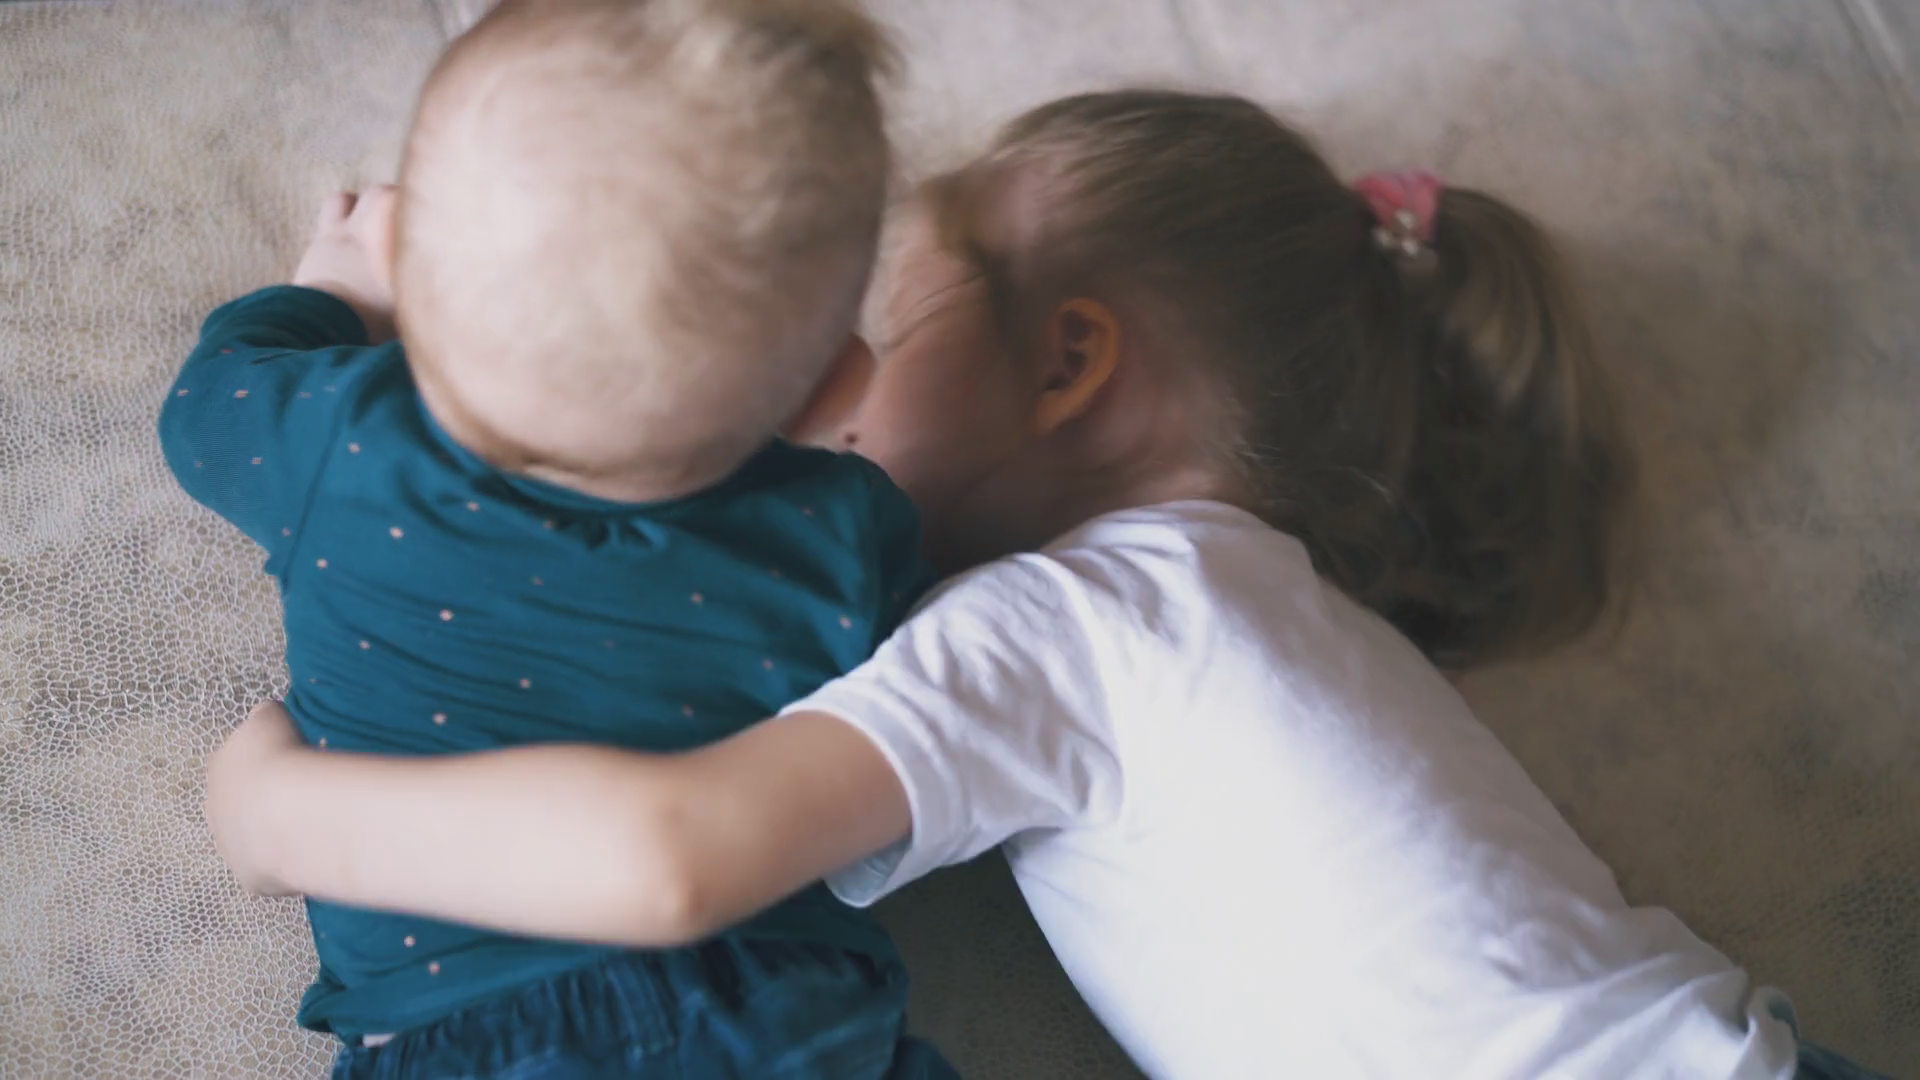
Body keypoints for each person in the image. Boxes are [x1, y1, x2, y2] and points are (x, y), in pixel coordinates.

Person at [204, 91, 1884, 1078]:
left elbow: (673, 853)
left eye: (893, 325)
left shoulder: (1086, 619)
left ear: (1069, 363)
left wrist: (278, 811)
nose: (832, 396)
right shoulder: (1261, 619)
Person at [160, 1, 957, 1077]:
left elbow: (203, 408)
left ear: (402, 255)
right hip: (772, 998)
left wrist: (331, 296)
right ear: (835, 383)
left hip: (457, 1033)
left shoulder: (338, 437)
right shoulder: (848, 529)